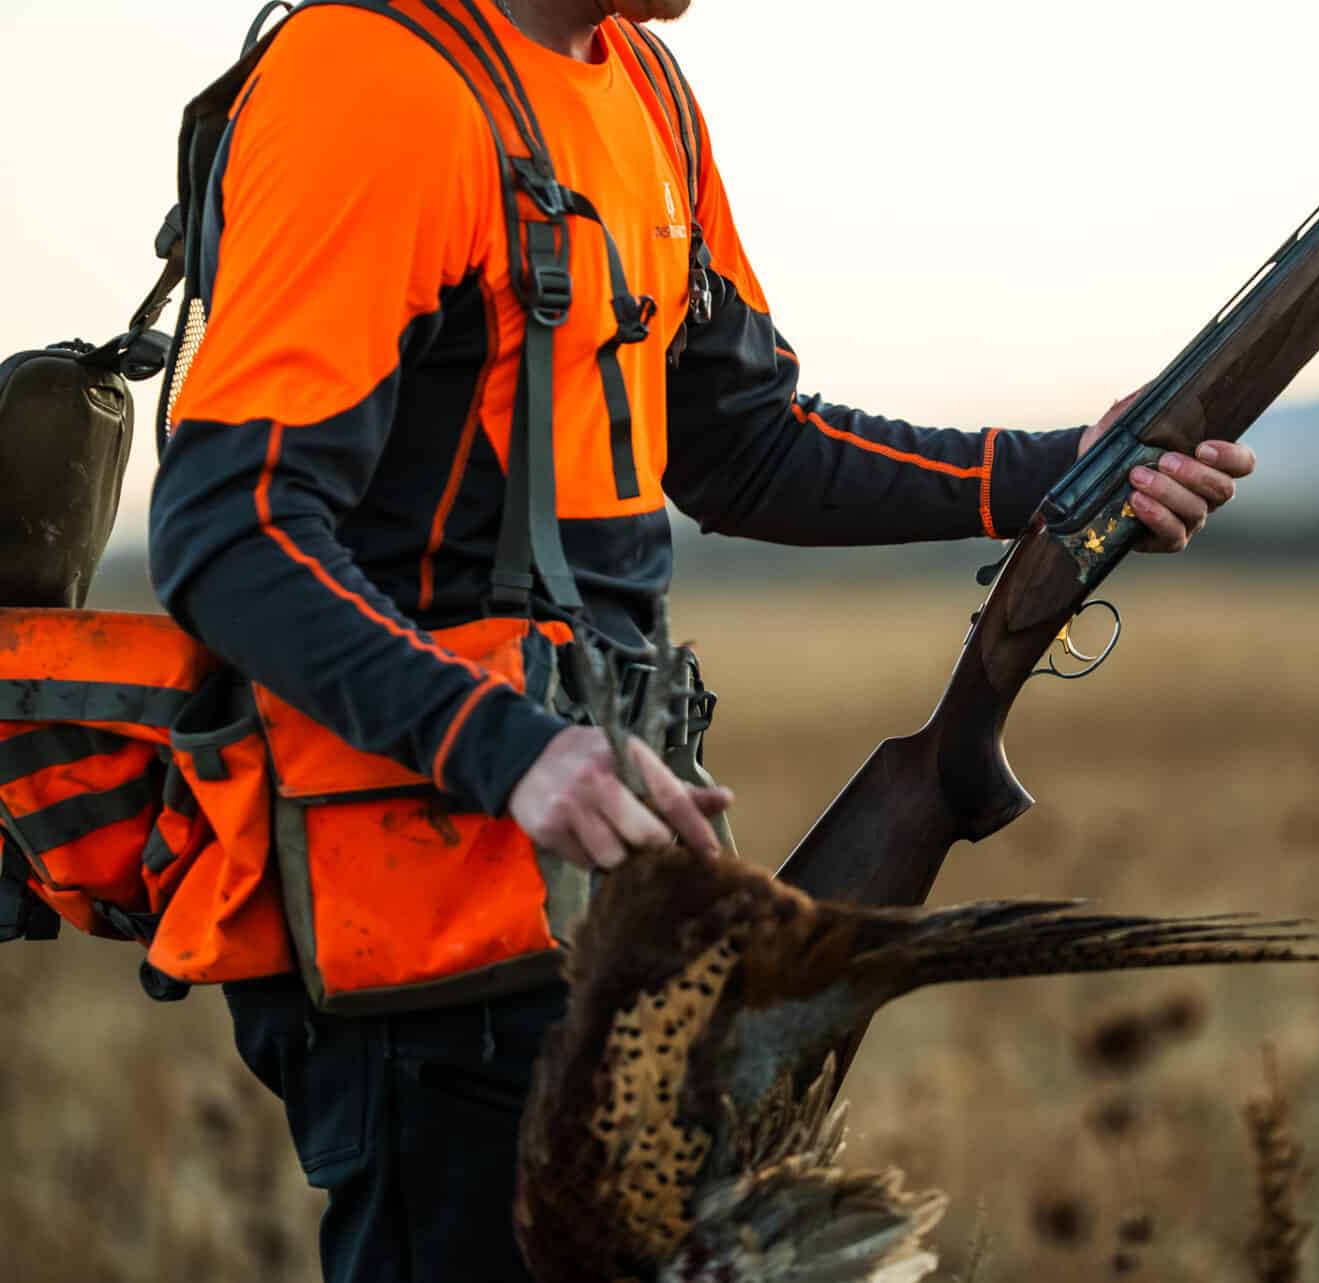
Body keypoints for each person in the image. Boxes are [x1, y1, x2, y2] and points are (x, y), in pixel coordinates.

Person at [146, 1, 1256, 1279]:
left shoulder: (645, 89)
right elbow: (229, 528)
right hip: (423, 941)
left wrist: (1057, 477)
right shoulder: (371, 78)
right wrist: (512, 750)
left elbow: (744, 446)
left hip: (609, 908)